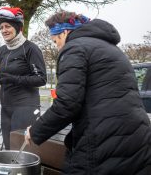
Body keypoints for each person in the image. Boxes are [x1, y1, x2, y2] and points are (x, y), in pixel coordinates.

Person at [25, 10, 151, 174]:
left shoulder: (74, 48)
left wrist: (35, 131)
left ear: (64, 32)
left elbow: (67, 104)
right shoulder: (111, 48)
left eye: (55, 41)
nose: (57, 47)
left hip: (104, 140)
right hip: (136, 135)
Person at [0, 7, 47, 150]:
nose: (3, 30)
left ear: (18, 27)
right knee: (9, 148)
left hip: (26, 106)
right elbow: (0, 75)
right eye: (1, 27)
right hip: (6, 107)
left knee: (22, 150)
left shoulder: (30, 48)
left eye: (7, 26)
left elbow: (41, 79)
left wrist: (13, 78)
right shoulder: (2, 50)